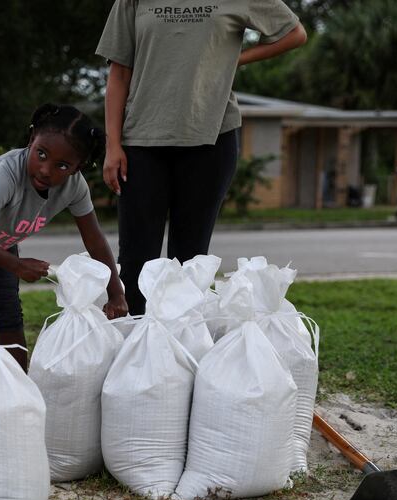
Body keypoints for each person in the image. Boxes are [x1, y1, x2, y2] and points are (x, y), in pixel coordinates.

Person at [97, 0, 307, 315]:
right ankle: (135, 351)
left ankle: (182, 352)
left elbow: (294, 33)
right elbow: (119, 74)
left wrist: (234, 59)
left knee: (191, 261)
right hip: (140, 141)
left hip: (210, 140)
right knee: (136, 261)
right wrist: (113, 146)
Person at [0, 103, 128, 381]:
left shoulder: (75, 188)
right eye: (41, 154)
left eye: (62, 165)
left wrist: (116, 292)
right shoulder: (8, 173)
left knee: (9, 314)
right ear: (31, 140)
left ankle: (16, 389)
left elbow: (95, 242)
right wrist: (17, 265)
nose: (46, 170)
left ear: (77, 168)